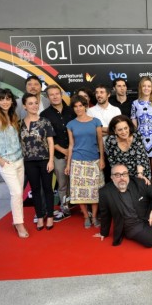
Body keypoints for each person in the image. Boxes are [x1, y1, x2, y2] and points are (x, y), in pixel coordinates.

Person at [0, 88, 28, 238]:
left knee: (18, 193)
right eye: (2, 99)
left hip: (19, 160)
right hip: (6, 162)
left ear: (12, 101)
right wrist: (0, 160)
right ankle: (19, 224)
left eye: (8, 99)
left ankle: (18, 220)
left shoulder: (13, 116)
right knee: (16, 192)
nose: (5, 102)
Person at [65, 95, 105, 229]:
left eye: (80, 105)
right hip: (77, 161)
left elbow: (100, 141)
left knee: (95, 191)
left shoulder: (96, 121)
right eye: (75, 106)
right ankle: (86, 217)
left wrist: (102, 159)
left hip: (94, 160)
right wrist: (68, 164)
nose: (78, 108)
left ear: (85, 106)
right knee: (79, 192)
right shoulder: (70, 124)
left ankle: (94, 216)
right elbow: (71, 145)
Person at [19, 93, 55, 231]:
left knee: (47, 189)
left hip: (45, 160)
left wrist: (51, 160)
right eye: (30, 103)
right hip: (28, 162)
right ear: (24, 106)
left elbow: (50, 142)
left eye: (35, 103)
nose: (34, 106)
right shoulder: (20, 124)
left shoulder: (45, 121)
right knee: (35, 190)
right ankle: (40, 216)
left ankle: (50, 216)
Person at [40, 84, 76, 221]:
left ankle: (80, 205)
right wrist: (64, 151)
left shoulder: (72, 111)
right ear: (48, 97)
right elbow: (47, 139)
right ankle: (65, 208)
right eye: (51, 95)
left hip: (76, 153)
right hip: (58, 155)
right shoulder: (44, 115)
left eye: (57, 94)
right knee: (62, 184)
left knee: (77, 182)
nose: (55, 96)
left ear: (61, 95)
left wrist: (71, 152)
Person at [131, 76, 152, 187]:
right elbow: (134, 125)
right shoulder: (135, 104)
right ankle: (145, 195)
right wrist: (136, 142)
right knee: (143, 171)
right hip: (141, 142)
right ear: (140, 88)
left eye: (149, 86)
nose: (146, 88)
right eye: (144, 86)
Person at [105, 115, 151, 183]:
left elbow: (140, 158)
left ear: (129, 127)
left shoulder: (136, 135)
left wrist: (140, 174)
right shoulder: (110, 141)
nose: (124, 132)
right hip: (122, 174)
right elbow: (113, 162)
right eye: (120, 130)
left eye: (125, 128)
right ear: (115, 131)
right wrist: (122, 176)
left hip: (140, 170)